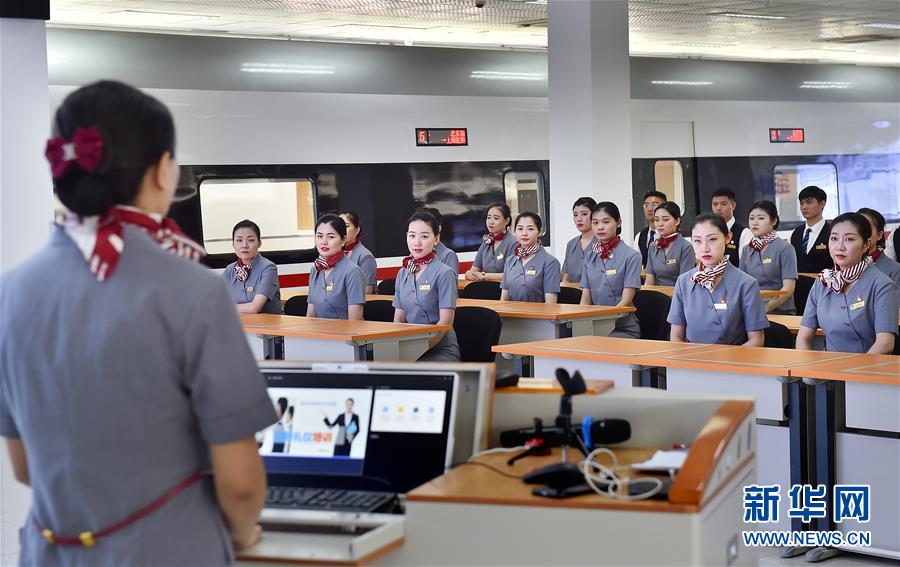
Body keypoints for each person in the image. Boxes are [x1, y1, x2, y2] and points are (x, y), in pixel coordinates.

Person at [0, 81, 274, 565]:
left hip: (47, 552)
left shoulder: (11, 291)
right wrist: (240, 534)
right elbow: (240, 483)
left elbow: (24, 466)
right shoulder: (194, 289)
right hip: (170, 550)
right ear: (164, 170)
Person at [797, 213, 897, 354]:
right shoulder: (823, 281)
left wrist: (855, 373)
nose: (840, 246)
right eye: (834, 239)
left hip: (868, 368)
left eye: (849, 239)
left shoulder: (882, 285)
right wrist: (806, 368)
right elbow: (803, 337)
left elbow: (885, 343)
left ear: (865, 245)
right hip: (829, 367)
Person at [668, 213, 769, 346]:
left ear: (728, 237)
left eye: (712, 239)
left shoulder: (746, 284)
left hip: (732, 361)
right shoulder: (683, 282)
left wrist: (726, 364)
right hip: (691, 361)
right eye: (697, 241)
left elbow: (756, 339)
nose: (705, 248)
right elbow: (676, 336)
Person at [393, 212, 461, 361]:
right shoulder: (402, 273)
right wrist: (397, 345)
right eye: (412, 236)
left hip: (439, 348)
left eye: (424, 236)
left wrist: (418, 348)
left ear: (436, 239)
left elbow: (445, 322)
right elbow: (399, 317)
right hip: (408, 345)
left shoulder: (445, 273)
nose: (416, 242)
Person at [580, 202, 642, 338]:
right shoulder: (590, 256)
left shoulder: (632, 256)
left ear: (618, 223)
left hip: (622, 327)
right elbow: (585, 299)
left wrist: (603, 322)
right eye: (595, 223)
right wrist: (581, 322)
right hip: (593, 325)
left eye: (606, 222)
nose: (600, 227)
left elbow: (625, 301)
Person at [740, 201, 798, 314]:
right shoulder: (747, 249)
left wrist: (763, 309)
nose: (755, 223)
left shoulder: (785, 248)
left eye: (761, 218)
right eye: (751, 218)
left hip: (781, 310)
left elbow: (788, 289)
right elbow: (741, 285)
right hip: (752, 309)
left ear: (774, 221)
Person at [306, 213, 366, 320]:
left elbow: (355, 322)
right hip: (318, 334)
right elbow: (310, 316)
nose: (324, 242)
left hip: (344, 334)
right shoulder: (315, 270)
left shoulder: (353, 272)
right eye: (319, 236)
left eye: (330, 237)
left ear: (343, 240)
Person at [223, 219, 283, 314]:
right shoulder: (229, 270)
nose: (244, 245)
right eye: (239, 240)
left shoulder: (268, 268)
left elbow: (254, 308)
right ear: (233, 244)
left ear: (259, 243)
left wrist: (225, 308)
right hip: (237, 325)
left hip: (267, 327)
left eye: (250, 240)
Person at [500, 212, 561, 303]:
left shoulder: (550, 262)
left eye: (530, 229)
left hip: (538, 316)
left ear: (539, 232)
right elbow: (504, 299)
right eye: (520, 229)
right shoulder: (510, 261)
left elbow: (551, 304)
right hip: (511, 315)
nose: (524, 233)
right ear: (514, 232)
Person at [644, 201, 695, 287]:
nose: (660, 224)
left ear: (677, 221)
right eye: (656, 220)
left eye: (665, 219)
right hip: (656, 296)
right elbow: (649, 280)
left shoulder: (686, 247)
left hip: (678, 296)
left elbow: (685, 282)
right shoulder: (653, 246)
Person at [464, 202, 517, 282]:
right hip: (488, 288)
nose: (491, 222)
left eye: (496, 218)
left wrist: (484, 276)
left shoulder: (513, 243)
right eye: (488, 218)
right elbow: (474, 270)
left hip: (506, 290)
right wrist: (469, 273)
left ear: (507, 221)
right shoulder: (486, 242)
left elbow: (511, 274)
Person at [790, 185, 832, 274]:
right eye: (801, 203)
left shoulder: (831, 232)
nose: (804, 207)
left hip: (823, 285)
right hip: (799, 285)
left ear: (822, 204)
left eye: (809, 202)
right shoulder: (796, 232)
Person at [858, 208, 900, 295]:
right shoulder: (844, 266)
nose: (861, 234)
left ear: (879, 235)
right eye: (857, 228)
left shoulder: (894, 270)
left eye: (867, 229)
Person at [711, 188, 752, 268]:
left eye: (723, 204)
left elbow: (746, 266)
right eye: (715, 204)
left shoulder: (744, 233)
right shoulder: (708, 232)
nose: (718, 208)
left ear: (733, 206)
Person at [339, 210, 377, 294]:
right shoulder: (335, 253)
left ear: (357, 230)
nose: (342, 230)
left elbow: (367, 292)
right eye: (339, 227)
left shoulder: (365, 256)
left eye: (346, 226)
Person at [561, 197, 597, 283]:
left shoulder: (603, 242)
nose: (579, 219)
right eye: (575, 215)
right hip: (573, 293)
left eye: (584, 214)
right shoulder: (571, 244)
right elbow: (566, 277)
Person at [418, 206, 459, 274]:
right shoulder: (412, 255)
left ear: (439, 228)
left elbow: (449, 283)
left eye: (427, 226)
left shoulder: (448, 256)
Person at [634, 190, 667, 267]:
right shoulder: (639, 236)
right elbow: (637, 262)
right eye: (646, 205)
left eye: (654, 205)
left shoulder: (670, 234)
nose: (649, 209)